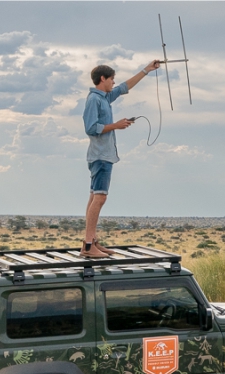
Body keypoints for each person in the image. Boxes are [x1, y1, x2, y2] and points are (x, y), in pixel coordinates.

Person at [80, 60, 161, 258]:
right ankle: (88, 246)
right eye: (111, 79)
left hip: (103, 155)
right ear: (103, 79)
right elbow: (91, 128)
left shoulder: (105, 98)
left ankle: (92, 242)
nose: (114, 82)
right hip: (100, 155)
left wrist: (146, 70)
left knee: (94, 197)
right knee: (100, 197)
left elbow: (126, 87)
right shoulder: (94, 100)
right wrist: (115, 125)